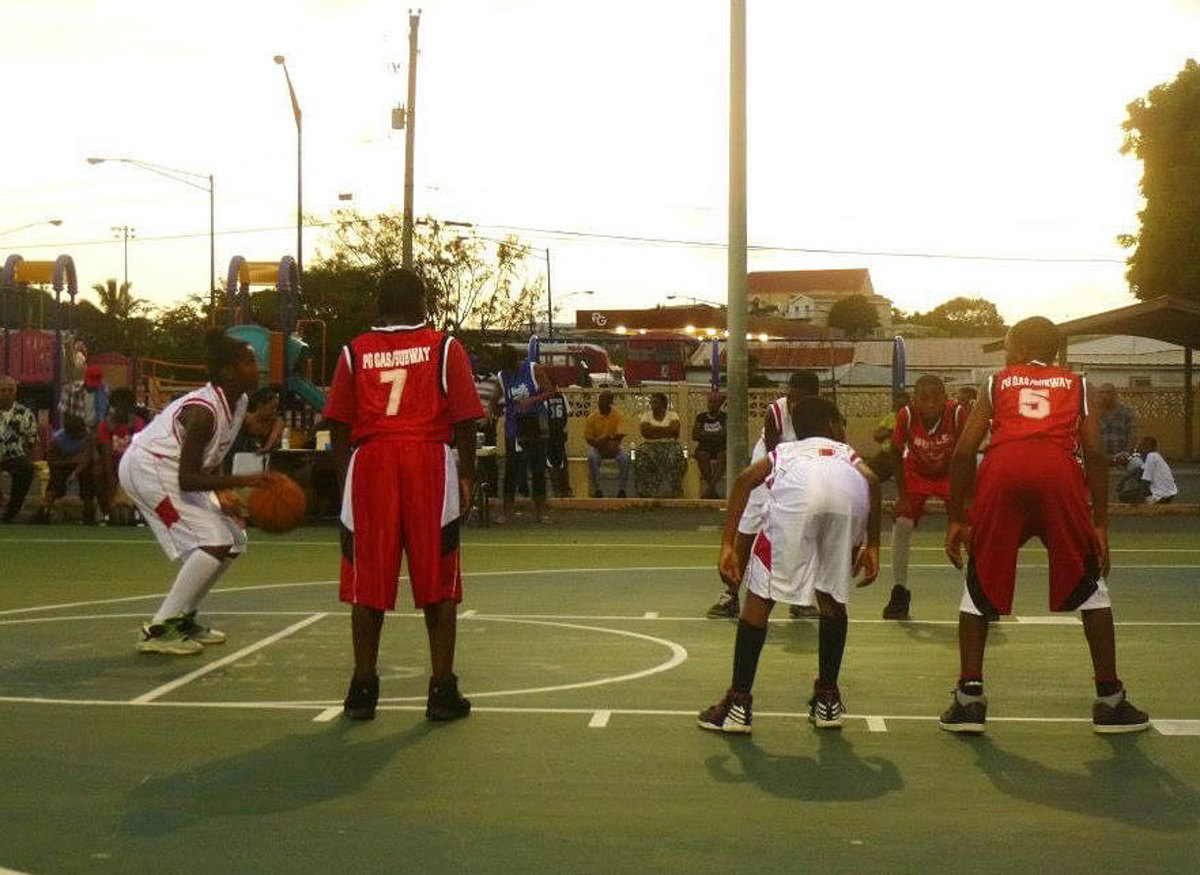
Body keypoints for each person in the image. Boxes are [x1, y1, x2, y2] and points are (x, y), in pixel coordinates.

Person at [942, 316, 1150, 734]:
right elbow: (1094, 453)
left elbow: (964, 453)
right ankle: (1109, 699)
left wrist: (958, 517)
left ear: (1017, 350)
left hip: (1003, 472)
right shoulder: (1079, 384)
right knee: (1092, 585)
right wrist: (1100, 523)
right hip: (1058, 473)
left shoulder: (995, 383)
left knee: (979, 581)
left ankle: (969, 699)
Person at [323, 269, 483, 722]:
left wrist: (344, 487)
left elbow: (337, 424)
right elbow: (467, 417)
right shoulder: (444, 347)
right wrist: (467, 476)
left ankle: (362, 688)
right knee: (439, 580)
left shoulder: (354, 351)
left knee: (366, 584)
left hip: (370, 463)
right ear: (421, 304)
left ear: (378, 305)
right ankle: (441, 688)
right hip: (427, 461)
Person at [697, 395, 881, 733]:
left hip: (798, 503)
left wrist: (727, 545)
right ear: (830, 425)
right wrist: (874, 545)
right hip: (847, 503)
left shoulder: (787, 451)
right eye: (840, 421)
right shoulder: (845, 451)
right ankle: (827, 701)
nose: (843, 427)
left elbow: (743, 481)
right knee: (831, 598)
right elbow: (871, 481)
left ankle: (738, 704)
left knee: (760, 598)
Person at [119, 329, 270, 654]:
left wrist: (221, 495)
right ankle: (160, 629)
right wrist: (242, 482)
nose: (258, 368)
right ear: (228, 372)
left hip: (174, 471)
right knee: (213, 540)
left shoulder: (238, 401)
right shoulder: (202, 412)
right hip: (150, 470)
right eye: (250, 362)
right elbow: (188, 478)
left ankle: (183, 617)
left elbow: (210, 456)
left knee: (234, 540)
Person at [705, 371, 821, 620]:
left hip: (799, 475)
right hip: (767, 469)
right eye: (790, 396)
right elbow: (773, 454)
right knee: (747, 532)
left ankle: (799, 599)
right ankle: (731, 594)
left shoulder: (823, 416)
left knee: (800, 537)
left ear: (814, 399)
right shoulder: (776, 412)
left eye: (799, 398)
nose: (793, 402)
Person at [881, 374, 966, 620]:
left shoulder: (958, 413)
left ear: (945, 399)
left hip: (951, 473)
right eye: (924, 399)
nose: (930, 404)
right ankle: (899, 590)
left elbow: (966, 454)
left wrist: (965, 498)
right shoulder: (906, 416)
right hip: (916, 474)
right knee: (903, 521)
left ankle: (977, 589)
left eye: (935, 399)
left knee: (968, 525)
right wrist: (903, 496)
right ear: (914, 400)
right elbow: (895, 453)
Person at [493, 344, 551, 524]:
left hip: (535, 421)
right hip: (514, 424)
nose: (507, 369)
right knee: (511, 467)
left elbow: (550, 391)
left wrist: (532, 400)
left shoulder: (534, 369)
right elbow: (495, 399)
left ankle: (540, 511)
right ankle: (507, 511)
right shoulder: (502, 377)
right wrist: (491, 412)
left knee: (537, 467)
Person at [35, 413, 97, 525]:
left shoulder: (88, 437)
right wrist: (72, 461)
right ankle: (44, 510)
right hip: (61, 465)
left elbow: (86, 459)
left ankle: (89, 512)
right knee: (55, 480)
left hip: (81, 466)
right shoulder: (57, 440)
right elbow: (52, 461)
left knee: (88, 477)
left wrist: (75, 473)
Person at [95, 387, 146, 521]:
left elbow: (138, 452)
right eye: (119, 407)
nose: (121, 410)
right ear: (113, 406)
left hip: (131, 464)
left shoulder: (138, 423)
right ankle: (106, 511)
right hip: (113, 463)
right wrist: (111, 478)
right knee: (99, 473)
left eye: (125, 407)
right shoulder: (105, 425)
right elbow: (106, 455)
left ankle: (139, 511)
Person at [0, 375, 38, 523]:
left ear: (15, 392)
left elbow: (31, 442)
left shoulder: (26, 414)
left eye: (10, 390)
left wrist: (27, 460)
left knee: (26, 468)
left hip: (13, 455)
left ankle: (11, 512)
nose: (6, 393)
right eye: (2, 390)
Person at [634, 392, 686, 497]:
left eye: (656, 402)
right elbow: (645, 433)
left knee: (676, 456)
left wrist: (653, 429)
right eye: (652, 402)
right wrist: (666, 430)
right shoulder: (646, 415)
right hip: (650, 445)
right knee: (641, 455)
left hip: (669, 444)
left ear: (663, 404)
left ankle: (672, 491)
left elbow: (675, 431)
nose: (653, 405)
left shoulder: (672, 415)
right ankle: (647, 492)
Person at [584, 389, 630, 498]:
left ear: (610, 403)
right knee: (592, 457)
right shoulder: (592, 417)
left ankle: (622, 490)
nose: (600, 404)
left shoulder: (618, 415)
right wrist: (600, 443)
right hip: (597, 447)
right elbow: (589, 439)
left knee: (625, 458)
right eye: (600, 401)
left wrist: (608, 438)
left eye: (603, 401)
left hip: (614, 446)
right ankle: (598, 490)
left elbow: (620, 435)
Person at [1118, 435, 1177, 505]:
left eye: (1142, 447)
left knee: (1125, 496)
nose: (1139, 450)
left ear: (1149, 448)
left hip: (1160, 495)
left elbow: (1145, 482)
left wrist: (1139, 494)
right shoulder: (1153, 457)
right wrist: (1123, 481)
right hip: (1165, 494)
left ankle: (1147, 502)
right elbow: (1136, 471)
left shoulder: (1151, 457)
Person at [866, 392, 907, 484]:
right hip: (887, 454)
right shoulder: (890, 418)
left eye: (903, 405)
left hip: (905, 456)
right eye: (898, 405)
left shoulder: (912, 418)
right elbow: (877, 435)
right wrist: (890, 432)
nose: (900, 408)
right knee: (867, 475)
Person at [692, 391, 727, 499]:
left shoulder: (725, 417)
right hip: (704, 447)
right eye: (710, 402)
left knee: (724, 456)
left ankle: (709, 489)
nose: (712, 404)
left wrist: (705, 434)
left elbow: (725, 434)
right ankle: (712, 490)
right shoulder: (701, 417)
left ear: (720, 404)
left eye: (715, 402)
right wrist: (716, 434)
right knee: (702, 456)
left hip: (720, 447)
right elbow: (695, 435)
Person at [59, 364, 109, 436]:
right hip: (74, 430)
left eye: (96, 385)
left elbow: (106, 412)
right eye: (91, 384)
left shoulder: (104, 391)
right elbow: (65, 416)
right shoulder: (70, 390)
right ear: (85, 379)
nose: (93, 387)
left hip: (95, 429)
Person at [1096, 382, 1137, 466]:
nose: (1104, 396)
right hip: (1100, 461)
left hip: (1121, 461)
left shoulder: (1125, 412)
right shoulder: (1093, 414)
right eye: (1102, 392)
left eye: (1108, 392)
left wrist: (1126, 454)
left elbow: (1132, 435)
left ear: (1115, 395)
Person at [545, 385, 572, 498]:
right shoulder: (562, 397)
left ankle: (556, 490)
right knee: (561, 462)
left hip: (549, 434)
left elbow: (543, 416)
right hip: (560, 432)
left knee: (550, 462)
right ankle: (565, 490)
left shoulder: (544, 398)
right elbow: (567, 413)